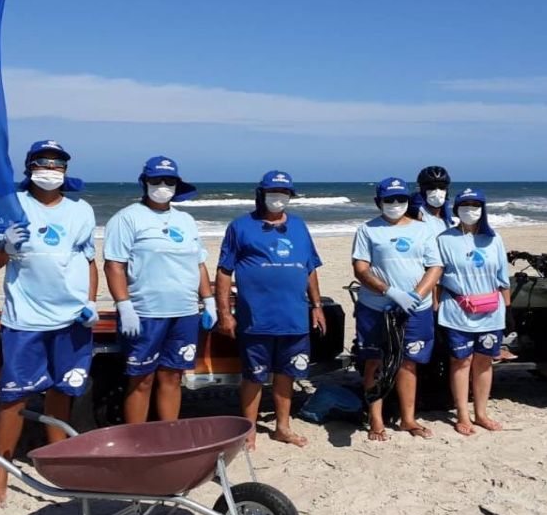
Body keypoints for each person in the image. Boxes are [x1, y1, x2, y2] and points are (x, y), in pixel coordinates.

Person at [0, 140, 98, 508]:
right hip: (25, 320)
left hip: (71, 320)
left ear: (66, 170)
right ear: (29, 167)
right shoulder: (8, 206)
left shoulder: (81, 210)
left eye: (57, 164)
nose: (50, 169)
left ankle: (56, 459)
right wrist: (6, 249)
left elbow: (89, 261)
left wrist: (91, 301)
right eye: (43, 162)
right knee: (14, 397)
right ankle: (0, 473)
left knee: (62, 391)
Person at [215, 171, 326, 449]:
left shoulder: (299, 226)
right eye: (273, 192)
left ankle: (282, 428)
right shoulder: (240, 226)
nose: (278, 197)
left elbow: (310, 268)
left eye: (284, 193)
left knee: (287, 373)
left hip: (294, 317)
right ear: (261, 194)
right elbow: (224, 271)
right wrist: (224, 313)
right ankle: (249, 431)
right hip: (256, 318)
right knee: (254, 376)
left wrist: (317, 305)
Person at [103, 156, 216, 424]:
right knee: (141, 379)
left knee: (173, 376)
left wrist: (208, 300)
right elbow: (114, 265)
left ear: (177, 184)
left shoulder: (186, 220)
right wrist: (124, 305)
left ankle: (169, 433)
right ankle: (137, 438)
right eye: (156, 180)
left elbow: (198, 263)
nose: (163, 185)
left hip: (185, 313)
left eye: (169, 180)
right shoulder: (127, 218)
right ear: (145, 182)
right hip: (145, 313)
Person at [352, 177, 443, 441]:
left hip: (415, 309)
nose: (395, 204)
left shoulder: (423, 230)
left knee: (408, 362)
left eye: (400, 199)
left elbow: (435, 266)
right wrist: (390, 291)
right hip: (375, 308)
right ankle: (376, 419)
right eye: (389, 199)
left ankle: (408, 419)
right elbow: (360, 268)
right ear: (378, 202)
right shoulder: (367, 230)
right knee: (374, 362)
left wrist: (416, 295)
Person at [435, 188, 511, 435]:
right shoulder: (444, 239)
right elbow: (437, 277)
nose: (471, 210)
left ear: (483, 208)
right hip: (457, 310)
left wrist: (508, 310)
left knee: (484, 361)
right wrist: (435, 307)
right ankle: (462, 415)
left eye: (476, 205)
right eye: (465, 205)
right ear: (456, 209)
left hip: (491, 312)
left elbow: (502, 277)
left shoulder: (493, 238)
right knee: (461, 361)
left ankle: (481, 413)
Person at [410, 165, 454, 236]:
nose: (437, 190)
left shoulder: (448, 219)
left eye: (442, 186)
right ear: (422, 190)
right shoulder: (414, 213)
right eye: (431, 187)